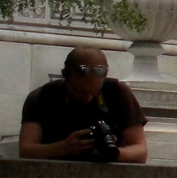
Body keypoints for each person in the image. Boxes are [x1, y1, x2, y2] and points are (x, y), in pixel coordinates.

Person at [17, 46, 148, 164]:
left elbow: (140, 151)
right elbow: (26, 150)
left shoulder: (118, 93)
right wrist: (63, 148)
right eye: (79, 91)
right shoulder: (42, 97)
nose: (87, 98)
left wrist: (111, 153)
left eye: (94, 92)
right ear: (65, 76)